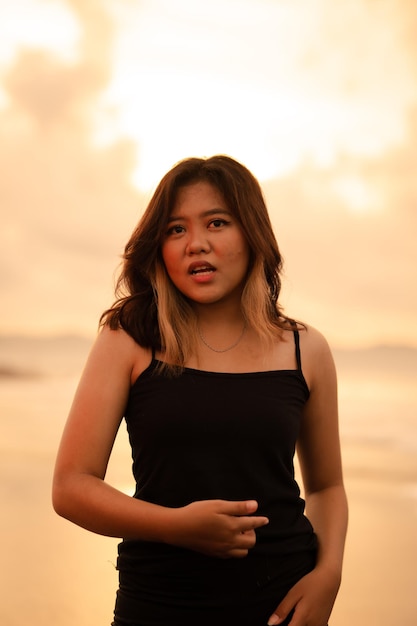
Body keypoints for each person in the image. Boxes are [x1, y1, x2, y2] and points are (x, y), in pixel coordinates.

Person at [52, 155, 348, 626]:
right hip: (159, 605)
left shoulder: (304, 349)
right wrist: (176, 527)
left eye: (216, 223)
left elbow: (327, 486)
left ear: (252, 234)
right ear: (159, 246)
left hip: (282, 607)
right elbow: (71, 487)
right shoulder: (129, 338)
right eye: (175, 229)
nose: (196, 244)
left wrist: (328, 575)